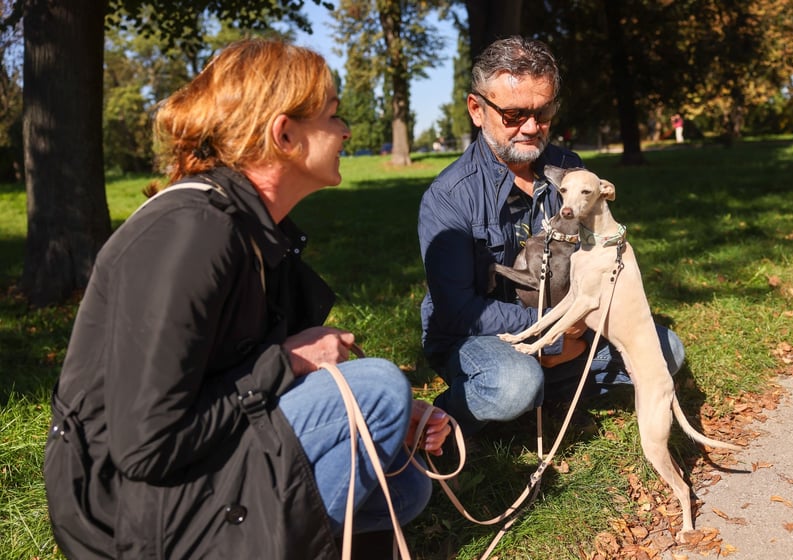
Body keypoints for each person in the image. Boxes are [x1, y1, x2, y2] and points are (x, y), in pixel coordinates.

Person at [45, 39, 450, 560]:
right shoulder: (190, 233)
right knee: (377, 386)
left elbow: (242, 374)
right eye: (332, 115)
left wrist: (387, 417)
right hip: (127, 511)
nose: (346, 129)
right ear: (284, 133)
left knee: (404, 478)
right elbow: (144, 446)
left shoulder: (252, 229)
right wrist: (289, 362)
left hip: (183, 472)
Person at [417, 36, 685, 436]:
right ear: (477, 109)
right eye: (513, 115)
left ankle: (535, 395)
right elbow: (459, 311)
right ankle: (442, 418)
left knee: (668, 350)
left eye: (543, 113)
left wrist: (572, 328)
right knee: (514, 382)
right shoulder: (448, 197)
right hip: (479, 336)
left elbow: (600, 252)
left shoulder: (569, 168)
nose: (530, 127)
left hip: (568, 324)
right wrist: (555, 337)